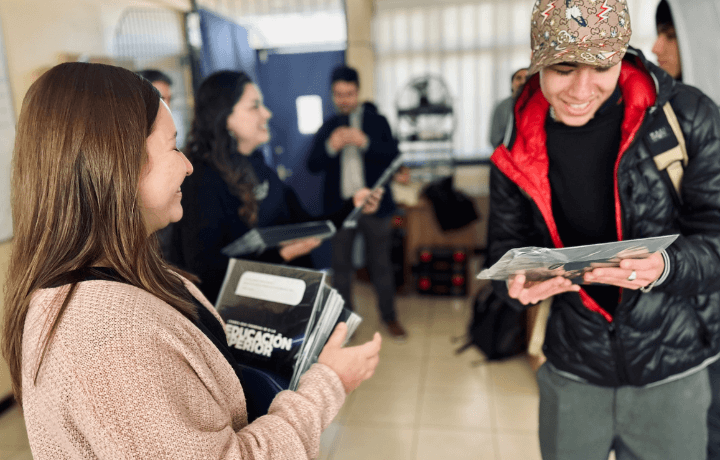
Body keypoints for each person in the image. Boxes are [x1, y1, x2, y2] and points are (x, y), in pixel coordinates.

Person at [1, 62, 382, 459]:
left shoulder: (129, 280)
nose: (186, 164)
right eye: (172, 147)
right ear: (116, 163)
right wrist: (328, 383)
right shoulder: (108, 336)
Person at [487, 0, 720, 458]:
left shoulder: (685, 115)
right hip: (573, 368)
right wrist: (515, 283)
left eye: (601, 67)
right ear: (537, 63)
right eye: (563, 68)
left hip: (670, 368)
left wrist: (666, 266)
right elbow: (504, 247)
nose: (580, 88)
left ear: (623, 55)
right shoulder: (518, 135)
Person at [168, 70, 382, 305]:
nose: (266, 114)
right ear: (225, 117)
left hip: (280, 304)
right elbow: (206, 274)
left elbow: (305, 225)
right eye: (254, 106)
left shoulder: (260, 167)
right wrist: (283, 254)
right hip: (239, 317)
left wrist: (353, 205)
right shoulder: (200, 180)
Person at [652, 2, 720, 458]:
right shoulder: (667, 120)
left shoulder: (702, 120)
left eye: (670, 36)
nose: (657, 48)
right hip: (679, 318)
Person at [306, 65, 406, 340]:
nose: (344, 100)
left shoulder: (378, 122)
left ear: (358, 92)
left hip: (376, 207)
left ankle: (390, 318)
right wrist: (330, 147)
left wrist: (365, 142)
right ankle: (344, 325)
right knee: (341, 269)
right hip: (340, 211)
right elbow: (312, 165)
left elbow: (394, 158)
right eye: (338, 94)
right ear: (332, 95)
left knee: (381, 265)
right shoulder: (328, 126)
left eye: (349, 94)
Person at [488, 67, 528, 148]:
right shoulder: (502, 107)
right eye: (519, 78)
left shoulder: (542, 106)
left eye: (527, 78)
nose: (523, 82)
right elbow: (495, 139)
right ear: (512, 84)